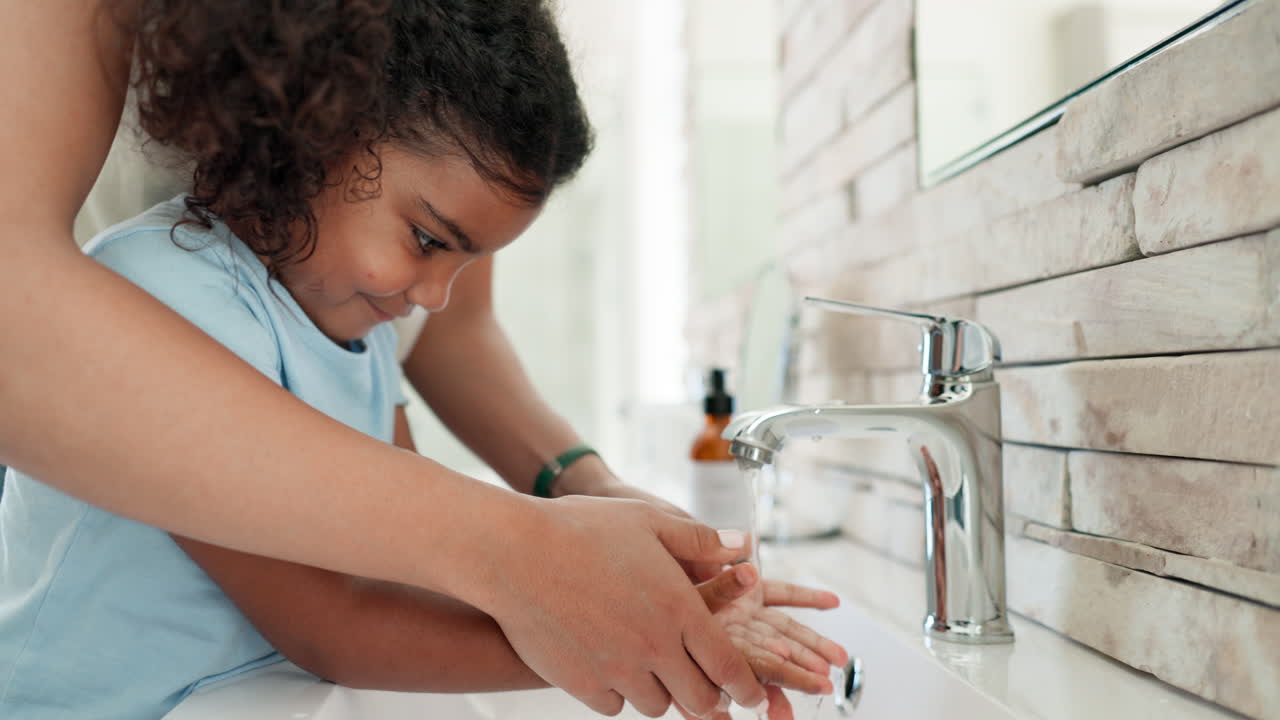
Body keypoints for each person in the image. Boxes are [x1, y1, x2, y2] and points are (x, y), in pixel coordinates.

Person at [0, 1, 844, 718]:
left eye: (466, 261)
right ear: (315, 128)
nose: (438, 297)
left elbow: (404, 570)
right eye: (430, 240)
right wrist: (600, 635)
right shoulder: (170, 298)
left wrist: (642, 587)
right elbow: (336, 625)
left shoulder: (362, 333)